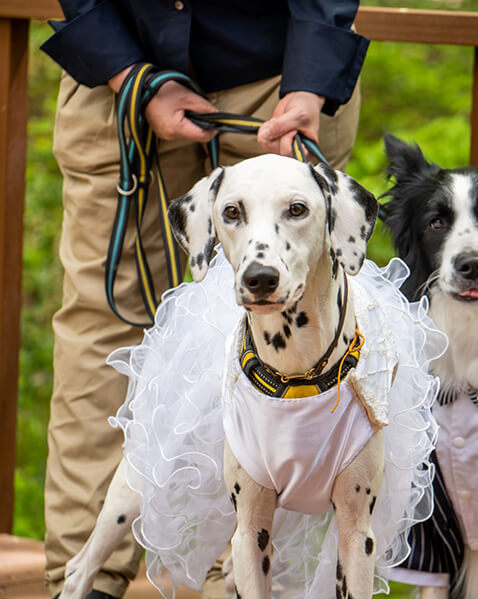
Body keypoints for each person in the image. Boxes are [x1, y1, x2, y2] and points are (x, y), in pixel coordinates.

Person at [39, 3, 368, 598]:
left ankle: (235, 584)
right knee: (101, 323)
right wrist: (125, 71)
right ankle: (83, 580)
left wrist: (310, 80)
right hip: (116, 69)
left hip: (282, 74)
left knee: (294, 340)